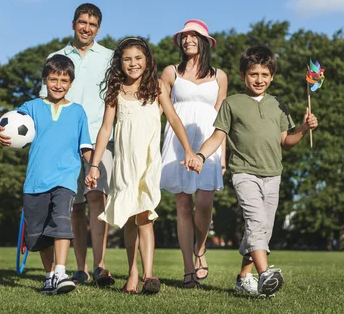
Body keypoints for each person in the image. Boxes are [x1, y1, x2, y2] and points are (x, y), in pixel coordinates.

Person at [190, 45, 318, 297]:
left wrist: (303, 128)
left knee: (262, 230)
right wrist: (201, 155)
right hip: (244, 173)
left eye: (265, 75)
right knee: (256, 222)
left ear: (272, 76)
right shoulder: (232, 103)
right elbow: (218, 136)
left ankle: (243, 277)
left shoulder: (278, 105)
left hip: (273, 174)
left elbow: (286, 142)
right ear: (242, 75)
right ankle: (265, 273)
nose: (259, 80)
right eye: (253, 74)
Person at [85, 37, 198, 294]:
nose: (133, 64)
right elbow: (105, 129)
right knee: (129, 218)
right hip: (124, 163)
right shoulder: (115, 91)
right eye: (127, 59)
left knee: (145, 216)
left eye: (138, 58)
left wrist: (190, 151)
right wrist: (94, 165)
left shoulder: (157, 87)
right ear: (119, 63)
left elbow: (174, 119)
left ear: (147, 60)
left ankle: (149, 275)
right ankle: (133, 274)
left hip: (148, 162)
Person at [0, 55, 92, 295]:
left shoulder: (78, 112)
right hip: (36, 181)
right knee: (39, 234)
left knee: (61, 222)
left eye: (64, 80)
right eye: (53, 79)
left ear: (71, 83)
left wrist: (94, 167)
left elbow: (85, 145)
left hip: (65, 178)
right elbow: (7, 121)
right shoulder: (31, 107)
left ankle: (61, 272)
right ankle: (49, 276)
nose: (58, 85)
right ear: (45, 80)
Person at [39, 3, 115, 287]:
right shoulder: (57, 57)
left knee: (97, 197)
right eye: (82, 22)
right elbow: (47, 101)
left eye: (93, 24)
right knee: (74, 206)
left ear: (98, 28)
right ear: (73, 24)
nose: (87, 28)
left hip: (99, 137)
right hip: (65, 140)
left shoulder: (109, 57)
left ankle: (100, 266)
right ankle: (80, 268)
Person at [160, 19, 228, 288]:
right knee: (183, 204)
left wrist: (222, 154)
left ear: (205, 41)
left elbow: (223, 118)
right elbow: (162, 107)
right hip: (178, 141)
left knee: (204, 203)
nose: (188, 40)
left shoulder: (220, 76)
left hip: (209, 143)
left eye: (193, 36)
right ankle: (188, 270)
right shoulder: (170, 73)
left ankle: (200, 248)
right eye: (184, 36)